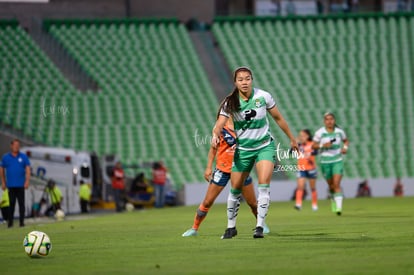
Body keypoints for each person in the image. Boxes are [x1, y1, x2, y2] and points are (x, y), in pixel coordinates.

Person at [212, 67, 298, 239]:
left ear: (252, 80)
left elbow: (278, 118)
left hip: (264, 147)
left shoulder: (263, 96)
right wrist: (215, 134)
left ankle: (259, 226)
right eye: (241, 79)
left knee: (264, 185)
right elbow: (219, 124)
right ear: (235, 82)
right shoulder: (230, 102)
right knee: (235, 189)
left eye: (248, 78)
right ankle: (231, 228)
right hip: (243, 150)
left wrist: (292, 138)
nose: (244, 82)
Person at [182, 115, 269, 237]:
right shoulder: (220, 127)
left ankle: (262, 224)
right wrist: (208, 167)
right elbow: (213, 148)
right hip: (222, 170)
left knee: (253, 203)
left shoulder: (246, 126)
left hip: (241, 169)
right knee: (207, 202)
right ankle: (194, 228)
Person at [313, 112, 349, 216]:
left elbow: (346, 141)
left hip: (337, 160)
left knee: (337, 184)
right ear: (324, 121)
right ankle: (333, 198)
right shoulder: (320, 133)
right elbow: (313, 146)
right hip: (325, 162)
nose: (329, 121)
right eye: (327, 119)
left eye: (331, 119)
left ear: (334, 120)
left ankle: (339, 208)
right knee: (331, 185)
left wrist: (345, 148)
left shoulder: (339, 132)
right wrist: (322, 145)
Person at [0, 139, 31, 228]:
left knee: (22, 204)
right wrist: (3, 182)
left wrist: (27, 181)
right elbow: (1, 169)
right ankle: (10, 223)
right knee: (11, 204)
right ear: (11, 146)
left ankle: (22, 222)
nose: (16, 146)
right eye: (15, 145)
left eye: (18, 145)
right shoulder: (6, 157)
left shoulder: (23, 157)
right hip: (11, 185)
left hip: (21, 185)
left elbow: (28, 169)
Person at [294, 129, 318, 211]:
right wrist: (294, 144)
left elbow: (316, 152)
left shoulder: (312, 144)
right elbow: (291, 152)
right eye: (300, 136)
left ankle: (314, 204)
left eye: (303, 136)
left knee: (312, 187)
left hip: (311, 168)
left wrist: (310, 153)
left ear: (307, 136)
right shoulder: (299, 145)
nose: (301, 137)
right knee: (300, 186)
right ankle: (298, 204)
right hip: (301, 168)